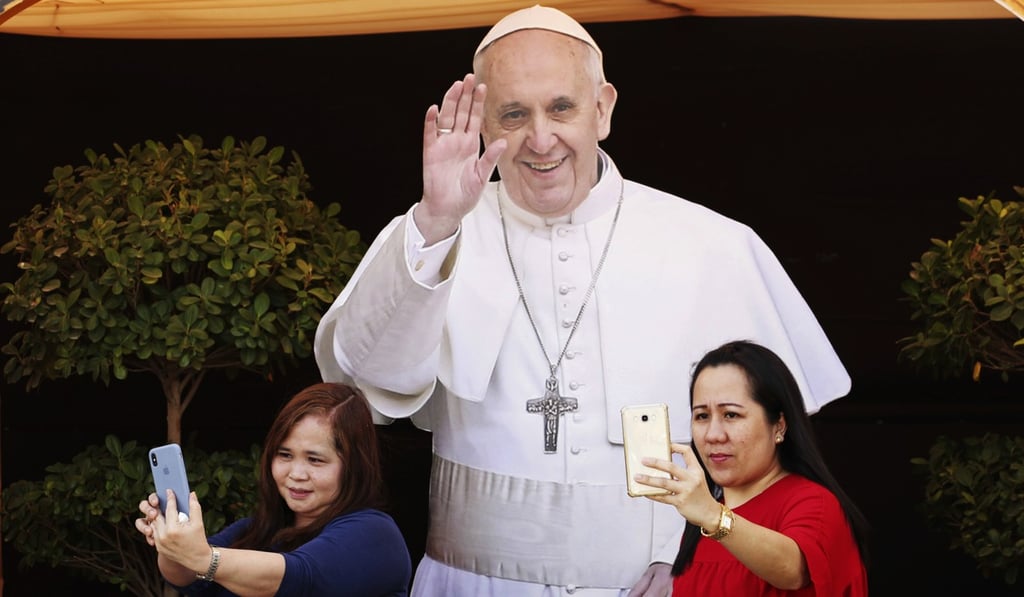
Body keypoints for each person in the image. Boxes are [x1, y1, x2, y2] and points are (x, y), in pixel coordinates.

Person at [313, 5, 851, 596]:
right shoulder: (432, 231)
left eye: (562, 108)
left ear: (603, 108)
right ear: (483, 123)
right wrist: (438, 221)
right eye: (513, 114)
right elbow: (367, 389)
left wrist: (694, 562)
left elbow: (773, 456)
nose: (540, 139)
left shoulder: (715, 245)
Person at [635, 340, 869, 595]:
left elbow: (793, 570)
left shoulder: (814, 502)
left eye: (731, 415)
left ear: (779, 425)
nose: (713, 435)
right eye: (702, 416)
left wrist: (714, 517)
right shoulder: (703, 518)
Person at [135, 382, 413, 596]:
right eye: (285, 455)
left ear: (354, 465)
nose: (296, 474)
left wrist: (203, 558)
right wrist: (171, 544)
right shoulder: (255, 530)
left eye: (315, 459)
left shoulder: (376, 534)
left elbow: (300, 578)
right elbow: (182, 578)